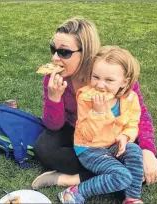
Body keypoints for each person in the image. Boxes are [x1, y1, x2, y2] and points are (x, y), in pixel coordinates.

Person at [32, 17, 157, 190]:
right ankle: (115, 175)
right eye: (53, 49)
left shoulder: (112, 72)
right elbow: (53, 126)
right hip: (80, 133)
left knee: (153, 166)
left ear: (85, 52)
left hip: (114, 132)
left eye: (64, 52)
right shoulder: (53, 78)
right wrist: (54, 98)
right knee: (43, 148)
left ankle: (71, 179)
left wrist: (147, 150)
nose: (55, 58)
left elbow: (141, 114)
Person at [58, 45, 143, 203]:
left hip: (112, 144)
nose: (100, 85)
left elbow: (133, 123)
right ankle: (75, 191)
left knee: (135, 150)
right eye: (96, 77)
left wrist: (125, 136)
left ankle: (131, 198)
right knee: (122, 176)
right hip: (89, 147)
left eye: (109, 80)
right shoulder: (86, 98)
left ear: (124, 82)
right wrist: (98, 112)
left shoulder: (130, 98)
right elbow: (86, 134)